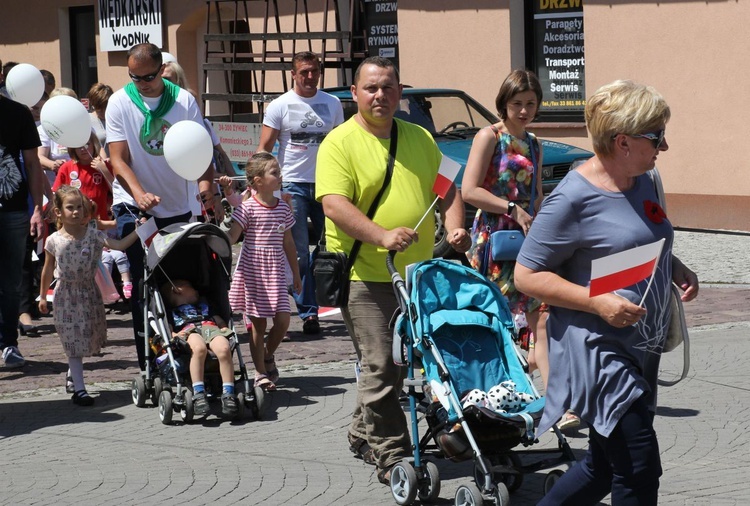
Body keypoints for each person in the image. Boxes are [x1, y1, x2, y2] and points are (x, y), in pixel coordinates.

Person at [514, 80, 699, 505]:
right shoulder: (573, 198)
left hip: (638, 344)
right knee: (637, 467)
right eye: (656, 137)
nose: (664, 147)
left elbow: (637, 239)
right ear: (622, 141)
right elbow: (526, 274)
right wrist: (596, 302)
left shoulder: (643, 178)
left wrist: (672, 265)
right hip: (596, 348)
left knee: (602, 466)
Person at [315, 56, 471, 485]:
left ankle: (362, 431)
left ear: (400, 92)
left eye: (387, 87)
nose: (379, 95)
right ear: (355, 94)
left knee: (397, 366)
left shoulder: (419, 137)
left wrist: (456, 228)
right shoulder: (339, 143)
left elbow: (448, 187)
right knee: (383, 363)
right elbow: (333, 203)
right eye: (370, 88)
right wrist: (381, 235)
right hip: (365, 273)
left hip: (418, 274)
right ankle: (394, 455)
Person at [460, 69, 580, 429]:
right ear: (504, 103)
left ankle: (560, 404)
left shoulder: (535, 143)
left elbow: (538, 194)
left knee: (542, 317)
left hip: (529, 236)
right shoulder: (489, 137)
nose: (524, 111)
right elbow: (469, 190)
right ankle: (494, 394)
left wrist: (546, 227)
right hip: (495, 238)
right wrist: (510, 209)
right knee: (495, 318)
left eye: (530, 104)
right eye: (517, 104)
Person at [107, 42, 222, 371]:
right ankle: (149, 361)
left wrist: (205, 191)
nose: (141, 83)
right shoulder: (120, 102)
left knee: (181, 282)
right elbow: (117, 158)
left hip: (179, 204)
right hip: (134, 205)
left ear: (161, 70)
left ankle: (186, 351)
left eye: (148, 77)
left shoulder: (183, 100)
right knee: (143, 287)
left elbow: (200, 152)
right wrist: (140, 193)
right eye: (134, 77)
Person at [258, 51, 344, 335]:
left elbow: (343, 146)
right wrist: (259, 185)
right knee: (299, 255)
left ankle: (341, 301)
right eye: (304, 72)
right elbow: (265, 149)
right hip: (292, 185)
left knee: (333, 248)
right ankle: (309, 313)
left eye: (314, 71)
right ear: (293, 74)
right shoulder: (280, 105)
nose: (310, 76)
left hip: (328, 185)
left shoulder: (332, 104)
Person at [38, 186, 138, 405]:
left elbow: (119, 245)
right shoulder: (54, 240)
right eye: (70, 208)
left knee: (86, 337)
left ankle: (73, 375)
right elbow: (47, 269)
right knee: (72, 340)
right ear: (58, 212)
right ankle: (80, 390)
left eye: (79, 208)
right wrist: (43, 296)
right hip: (65, 294)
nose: (75, 212)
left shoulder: (94, 234)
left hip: (88, 293)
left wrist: (140, 230)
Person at [226, 152, 301, 392]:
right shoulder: (247, 208)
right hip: (254, 270)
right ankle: (259, 373)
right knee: (257, 325)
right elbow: (232, 238)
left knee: (283, 320)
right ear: (258, 181)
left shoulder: (282, 208)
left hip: (276, 270)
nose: (280, 176)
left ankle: (267, 355)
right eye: (274, 173)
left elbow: (288, 242)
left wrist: (297, 274)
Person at [0, 91, 45, 367]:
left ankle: (8, 344)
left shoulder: (17, 112)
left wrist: (37, 208)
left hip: (14, 210)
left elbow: (32, 163)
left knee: (11, 282)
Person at [160, 279, 238, 417]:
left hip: (211, 327)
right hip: (189, 330)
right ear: (177, 290)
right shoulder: (172, 312)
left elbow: (218, 319)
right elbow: (169, 330)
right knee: (199, 348)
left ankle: (228, 392)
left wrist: (224, 327)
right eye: (190, 286)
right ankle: (199, 392)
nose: (196, 290)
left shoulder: (205, 305)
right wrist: (175, 335)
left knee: (224, 349)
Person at [52, 132, 114, 221]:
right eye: (78, 146)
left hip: (99, 220)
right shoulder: (66, 167)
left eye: (87, 144)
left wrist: (104, 171)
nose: (82, 149)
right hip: (74, 221)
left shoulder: (103, 166)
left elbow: (116, 191)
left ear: (94, 145)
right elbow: (56, 195)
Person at [38, 87, 77, 187]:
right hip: (56, 185)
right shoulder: (44, 129)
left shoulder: (83, 125)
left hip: (81, 182)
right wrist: (53, 164)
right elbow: (39, 157)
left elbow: (97, 151)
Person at [87, 82, 113, 158]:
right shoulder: (87, 120)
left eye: (105, 107)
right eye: (98, 108)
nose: (102, 111)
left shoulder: (116, 118)